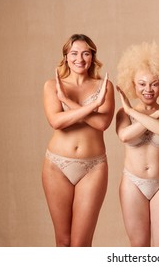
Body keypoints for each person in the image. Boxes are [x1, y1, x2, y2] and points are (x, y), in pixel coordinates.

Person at [42, 34, 115, 246]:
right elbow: (56, 121)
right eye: (74, 53)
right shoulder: (52, 86)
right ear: (65, 57)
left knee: (81, 244)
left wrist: (67, 102)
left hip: (93, 167)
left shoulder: (105, 86)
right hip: (57, 165)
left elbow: (102, 124)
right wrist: (93, 106)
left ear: (92, 57)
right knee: (63, 242)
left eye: (85, 53)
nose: (79, 59)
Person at [115, 42, 159, 247]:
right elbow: (125, 136)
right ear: (132, 85)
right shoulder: (122, 114)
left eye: (154, 83)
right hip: (132, 183)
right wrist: (154, 114)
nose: (148, 90)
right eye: (141, 84)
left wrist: (144, 112)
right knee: (139, 249)